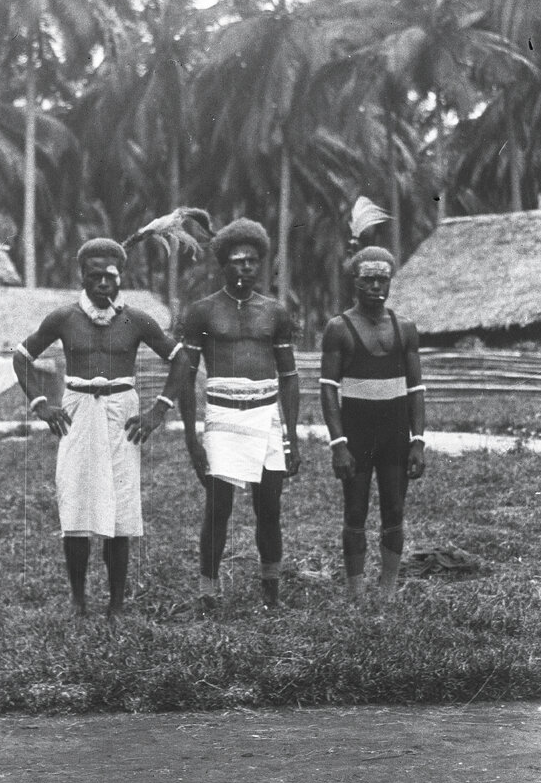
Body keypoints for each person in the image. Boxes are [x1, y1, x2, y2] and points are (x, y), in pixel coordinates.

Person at [13, 238, 189, 623]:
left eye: (110, 276)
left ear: (120, 276)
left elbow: (181, 359)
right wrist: (42, 405)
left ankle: (116, 604)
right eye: (95, 277)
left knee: (119, 509)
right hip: (77, 410)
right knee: (75, 505)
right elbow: (22, 357)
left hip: (122, 412)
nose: (103, 284)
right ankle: (78, 600)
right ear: (83, 277)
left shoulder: (136, 320)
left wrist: (159, 411)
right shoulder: (64, 318)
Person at [178, 219, 301, 613]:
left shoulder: (275, 312)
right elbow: (184, 376)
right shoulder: (203, 312)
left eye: (252, 261)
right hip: (223, 417)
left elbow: (289, 376)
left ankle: (271, 593)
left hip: (266, 417)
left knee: (270, 509)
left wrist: (292, 437)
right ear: (223, 266)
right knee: (218, 508)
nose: (246, 267)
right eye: (237, 261)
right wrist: (192, 438)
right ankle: (207, 592)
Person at [319, 242, 426, 602]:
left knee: (394, 508)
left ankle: (388, 590)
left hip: (395, 432)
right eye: (369, 280)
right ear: (355, 283)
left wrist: (418, 440)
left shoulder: (405, 327)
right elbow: (328, 390)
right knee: (355, 510)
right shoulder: (339, 328)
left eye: (383, 280)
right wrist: (339, 444)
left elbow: (416, 388)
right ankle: (356, 591)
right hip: (357, 432)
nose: (377, 287)